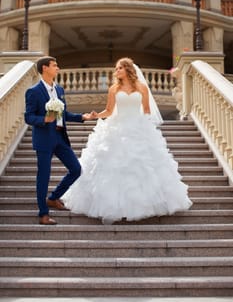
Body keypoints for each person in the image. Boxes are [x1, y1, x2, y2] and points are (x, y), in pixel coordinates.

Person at [62, 57, 192, 224]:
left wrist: (145, 129)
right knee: (113, 165)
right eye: (116, 69)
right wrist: (95, 115)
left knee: (143, 168)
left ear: (128, 69)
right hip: (116, 128)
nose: (116, 71)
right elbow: (109, 111)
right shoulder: (114, 89)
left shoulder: (142, 87)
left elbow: (146, 110)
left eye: (119, 68)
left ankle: (146, 205)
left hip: (137, 127)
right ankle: (115, 206)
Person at [24, 56, 95, 225]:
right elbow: (28, 117)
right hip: (44, 139)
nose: (58, 68)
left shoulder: (60, 90)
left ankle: (54, 197)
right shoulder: (33, 91)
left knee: (76, 169)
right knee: (44, 176)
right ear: (45, 69)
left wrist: (83, 117)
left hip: (60, 137)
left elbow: (64, 114)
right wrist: (44, 120)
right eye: (55, 65)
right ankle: (43, 214)